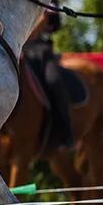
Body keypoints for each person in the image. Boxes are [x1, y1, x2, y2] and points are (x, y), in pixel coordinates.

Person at [22, 10, 74, 151]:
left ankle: (65, 130)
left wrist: (22, 37)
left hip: (40, 49)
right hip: (15, 47)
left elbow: (43, 19)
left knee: (54, 80)